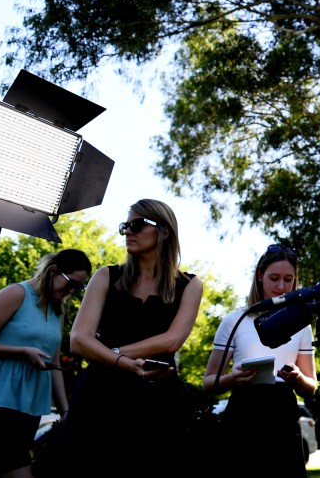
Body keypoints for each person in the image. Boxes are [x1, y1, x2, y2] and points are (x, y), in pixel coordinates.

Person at [59, 199, 203, 478]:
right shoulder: (105, 276)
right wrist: (121, 362)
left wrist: (109, 353)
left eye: (136, 225)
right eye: (125, 226)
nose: (128, 232)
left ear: (164, 231)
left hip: (155, 403)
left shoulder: (190, 285)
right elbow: (78, 339)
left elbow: (171, 341)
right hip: (99, 397)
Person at [0, 249, 91, 478]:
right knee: (18, 467)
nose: (71, 292)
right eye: (70, 284)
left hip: (28, 403)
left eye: (78, 288)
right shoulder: (16, 294)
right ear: (53, 271)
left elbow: (54, 362)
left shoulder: (57, 311)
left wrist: (64, 410)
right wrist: (21, 351)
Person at [202, 244, 318, 477]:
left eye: (289, 280)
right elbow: (209, 382)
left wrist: (296, 377)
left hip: (283, 414)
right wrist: (233, 378)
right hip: (244, 411)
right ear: (259, 276)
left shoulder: (302, 325)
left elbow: (311, 387)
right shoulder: (236, 320)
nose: (281, 286)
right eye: (274, 278)